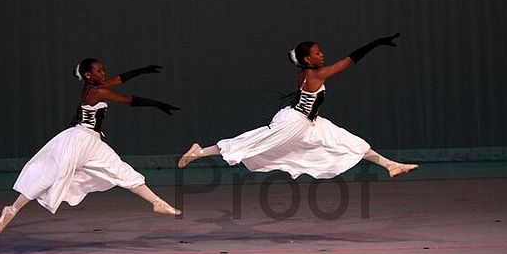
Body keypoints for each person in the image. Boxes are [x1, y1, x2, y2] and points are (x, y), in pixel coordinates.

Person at [178, 33, 418, 180]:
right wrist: (375, 43)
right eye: (317, 53)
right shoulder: (316, 75)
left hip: (311, 122)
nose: (322, 55)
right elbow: (349, 61)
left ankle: (390, 165)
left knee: (350, 142)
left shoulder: (306, 74)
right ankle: (199, 151)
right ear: (307, 60)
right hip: (296, 122)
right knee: (252, 142)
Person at [0, 58, 181, 233]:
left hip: (93, 142)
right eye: (99, 71)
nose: (103, 73)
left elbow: (119, 79)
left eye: (103, 70)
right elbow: (129, 100)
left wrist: (143, 70)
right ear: (87, 75)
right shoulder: (96, 92)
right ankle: (12, 209)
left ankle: (157, 202)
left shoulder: (93, 87)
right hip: (80, 140)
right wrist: (157, 104)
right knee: (53, 175)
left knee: (121, 170)